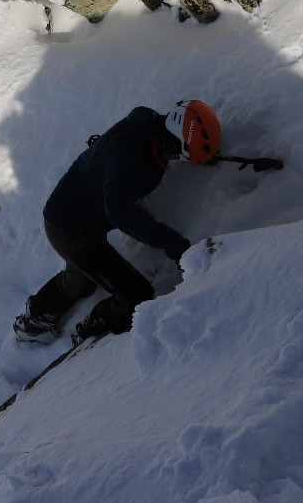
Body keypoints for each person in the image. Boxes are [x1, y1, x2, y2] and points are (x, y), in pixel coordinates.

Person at [13, 100, 221, 345]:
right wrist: (176, 246)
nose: (179, 160)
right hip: (68, 227)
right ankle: (89, 331)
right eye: (182, 155)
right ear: (170, 142)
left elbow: (139, 118)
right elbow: (120, 211)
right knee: (137, 295)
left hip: (78, 215)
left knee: (81, 277)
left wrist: (197, 154)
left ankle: (36, 316)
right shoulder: (127, 161)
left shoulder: (149, 124)